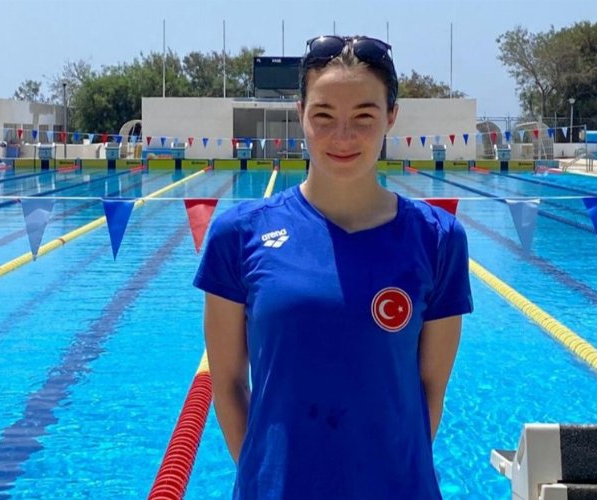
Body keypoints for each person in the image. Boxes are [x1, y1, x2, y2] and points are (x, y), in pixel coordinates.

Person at [193, 35, 473, 499]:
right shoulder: (237, 234)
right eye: (323, 116)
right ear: (301, 113)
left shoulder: (438, 239)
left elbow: (430, 390)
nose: (343, 137)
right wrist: (270, 480)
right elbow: (227, 385)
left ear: (391, 117)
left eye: (364, 117)